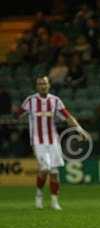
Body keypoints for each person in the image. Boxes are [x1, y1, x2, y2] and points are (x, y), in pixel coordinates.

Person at [14, 76, 90, 210]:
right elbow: (18, 114)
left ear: (49, 85)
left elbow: (68, 117)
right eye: (40, 84)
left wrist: (80, 130)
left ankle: (54, 201)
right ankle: (39, 196)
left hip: (53, 140)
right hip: (38, 141)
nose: (42, 86)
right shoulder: (30, 101)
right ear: (36, 86)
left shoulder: (55, 101)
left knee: (54, 172)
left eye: (45, 83)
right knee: (45, 168)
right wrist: (16, 112)